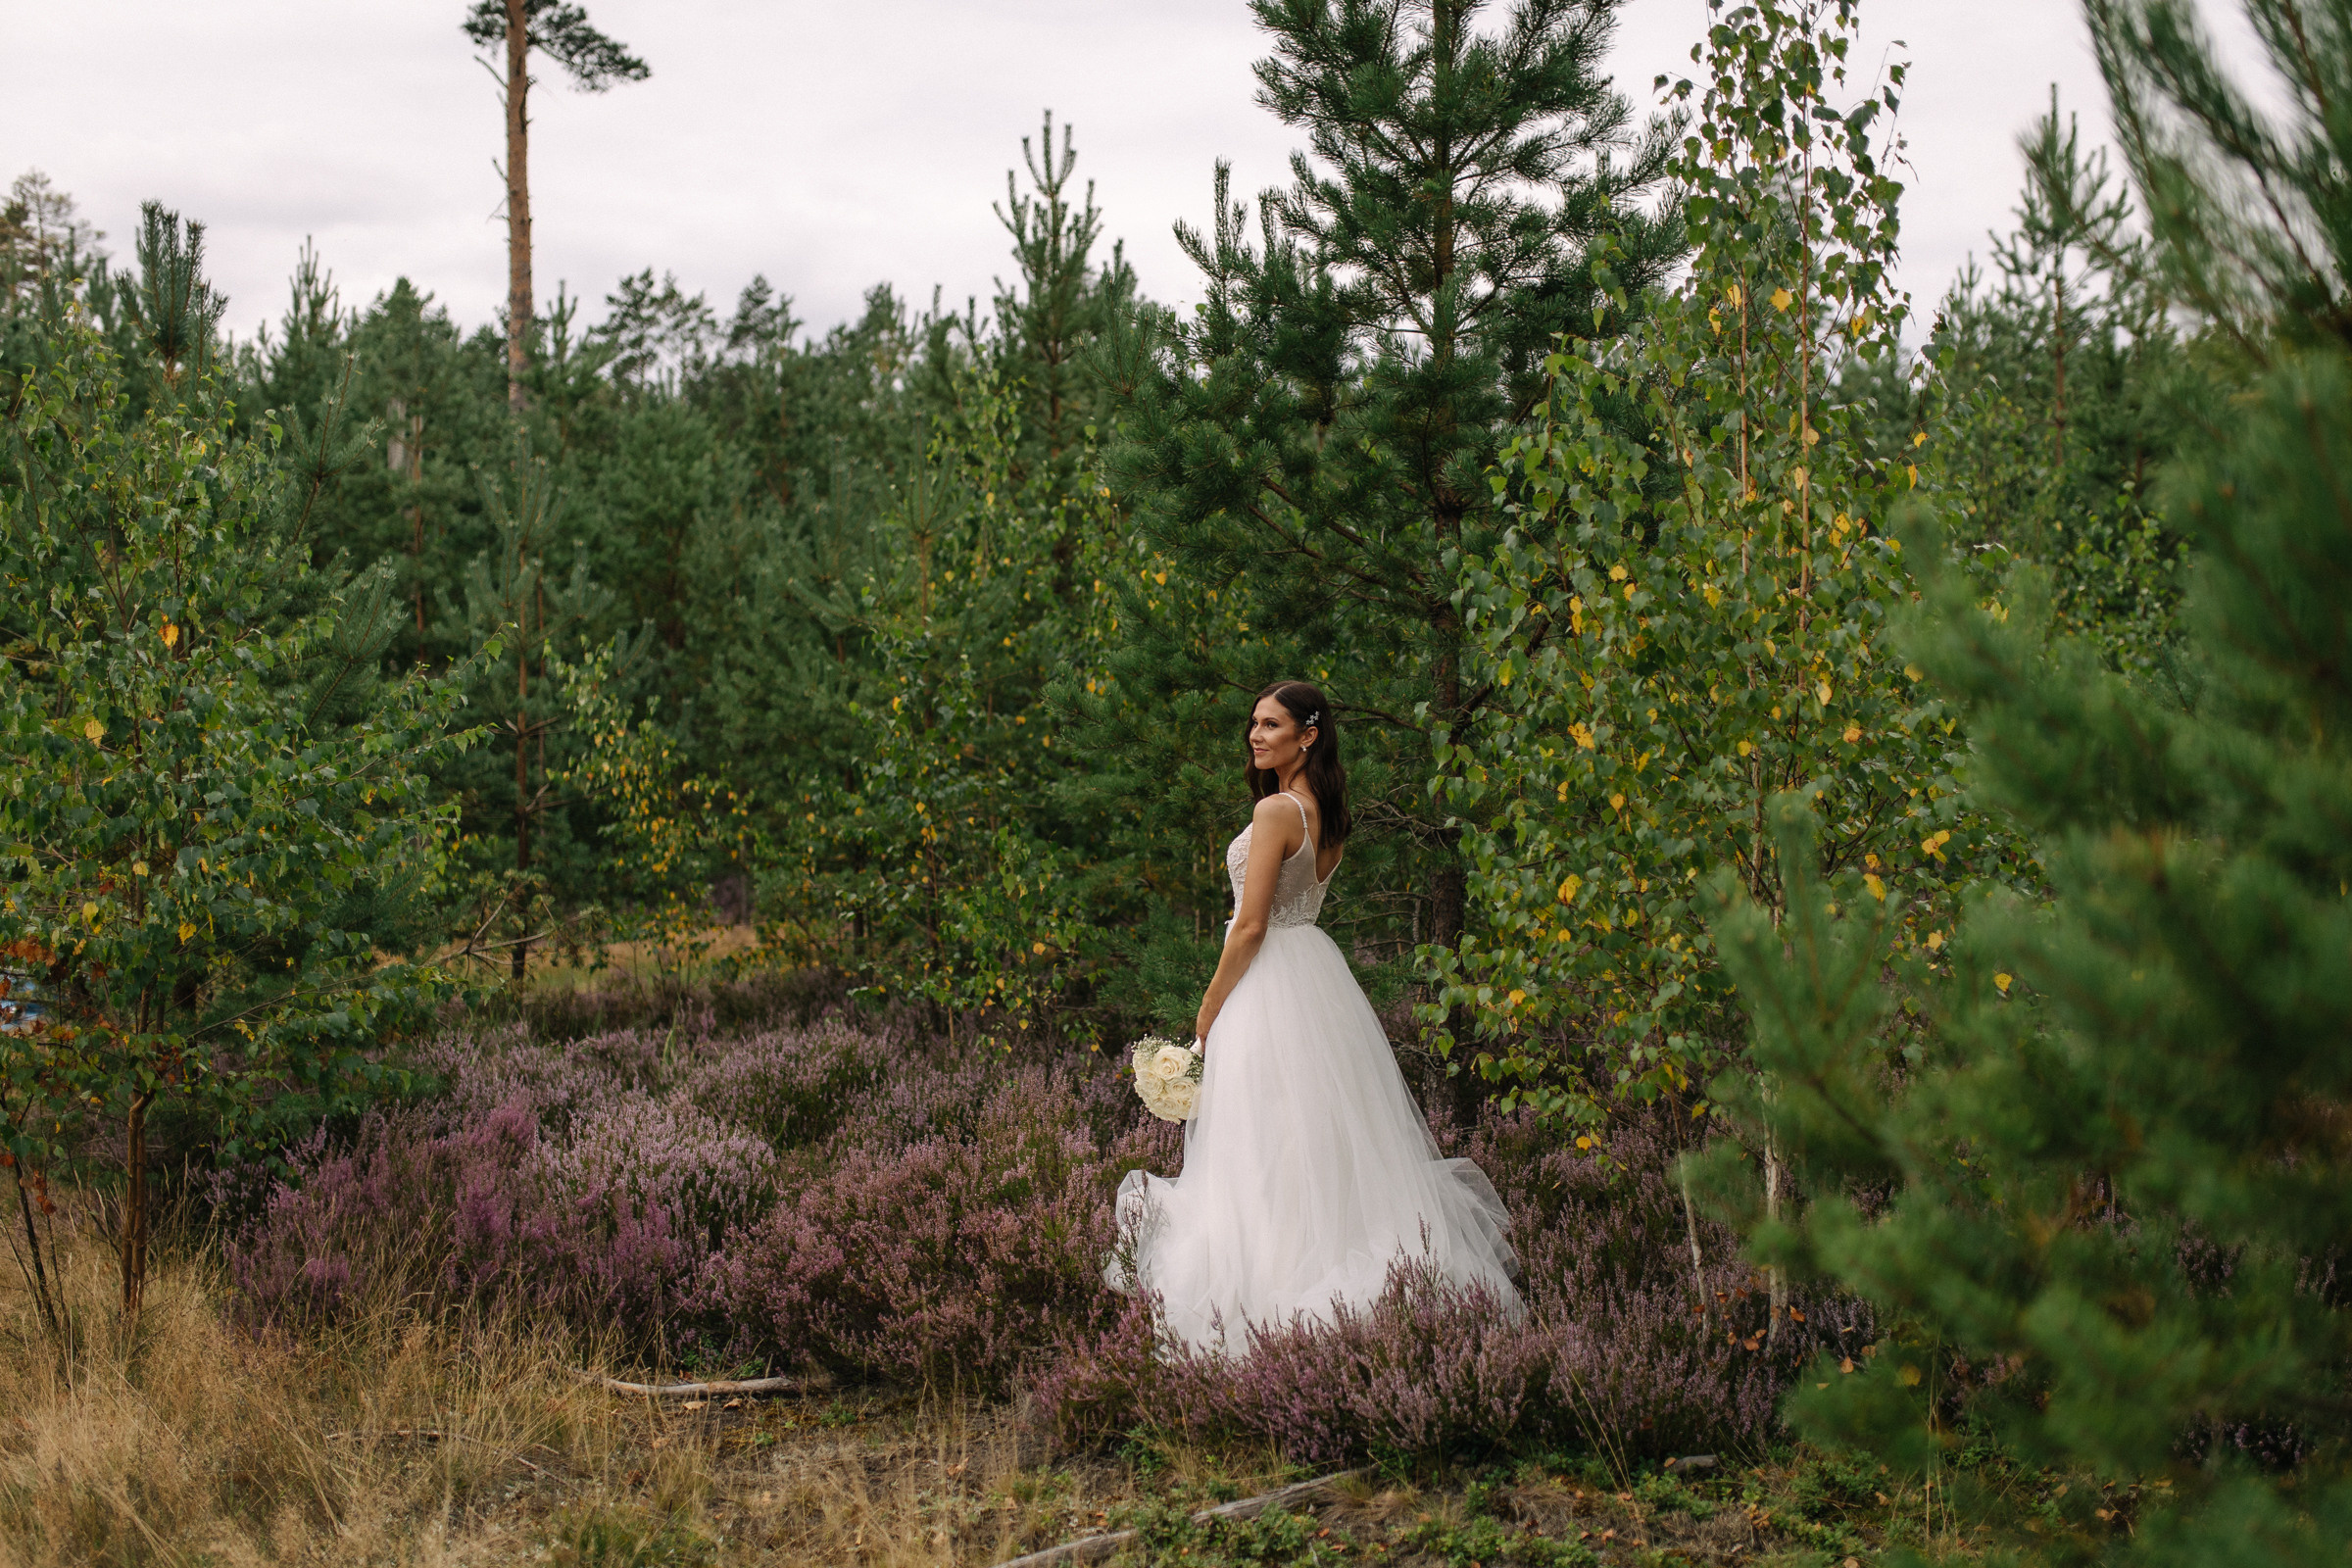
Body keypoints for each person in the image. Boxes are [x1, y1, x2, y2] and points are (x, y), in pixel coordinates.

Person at [1107, 680, 1522, 1350]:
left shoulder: (1277, 812)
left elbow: (1249, 929)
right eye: (1253, 724)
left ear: (1307, 735)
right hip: (1314, 978)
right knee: (1310, 1139)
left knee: (1265, 1142)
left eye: (1271, 725)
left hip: (1268, 979)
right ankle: (1324, 1274)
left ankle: (1267, 1300)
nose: (1255, 734)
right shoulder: (1324, 812)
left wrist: (1207, 1013)